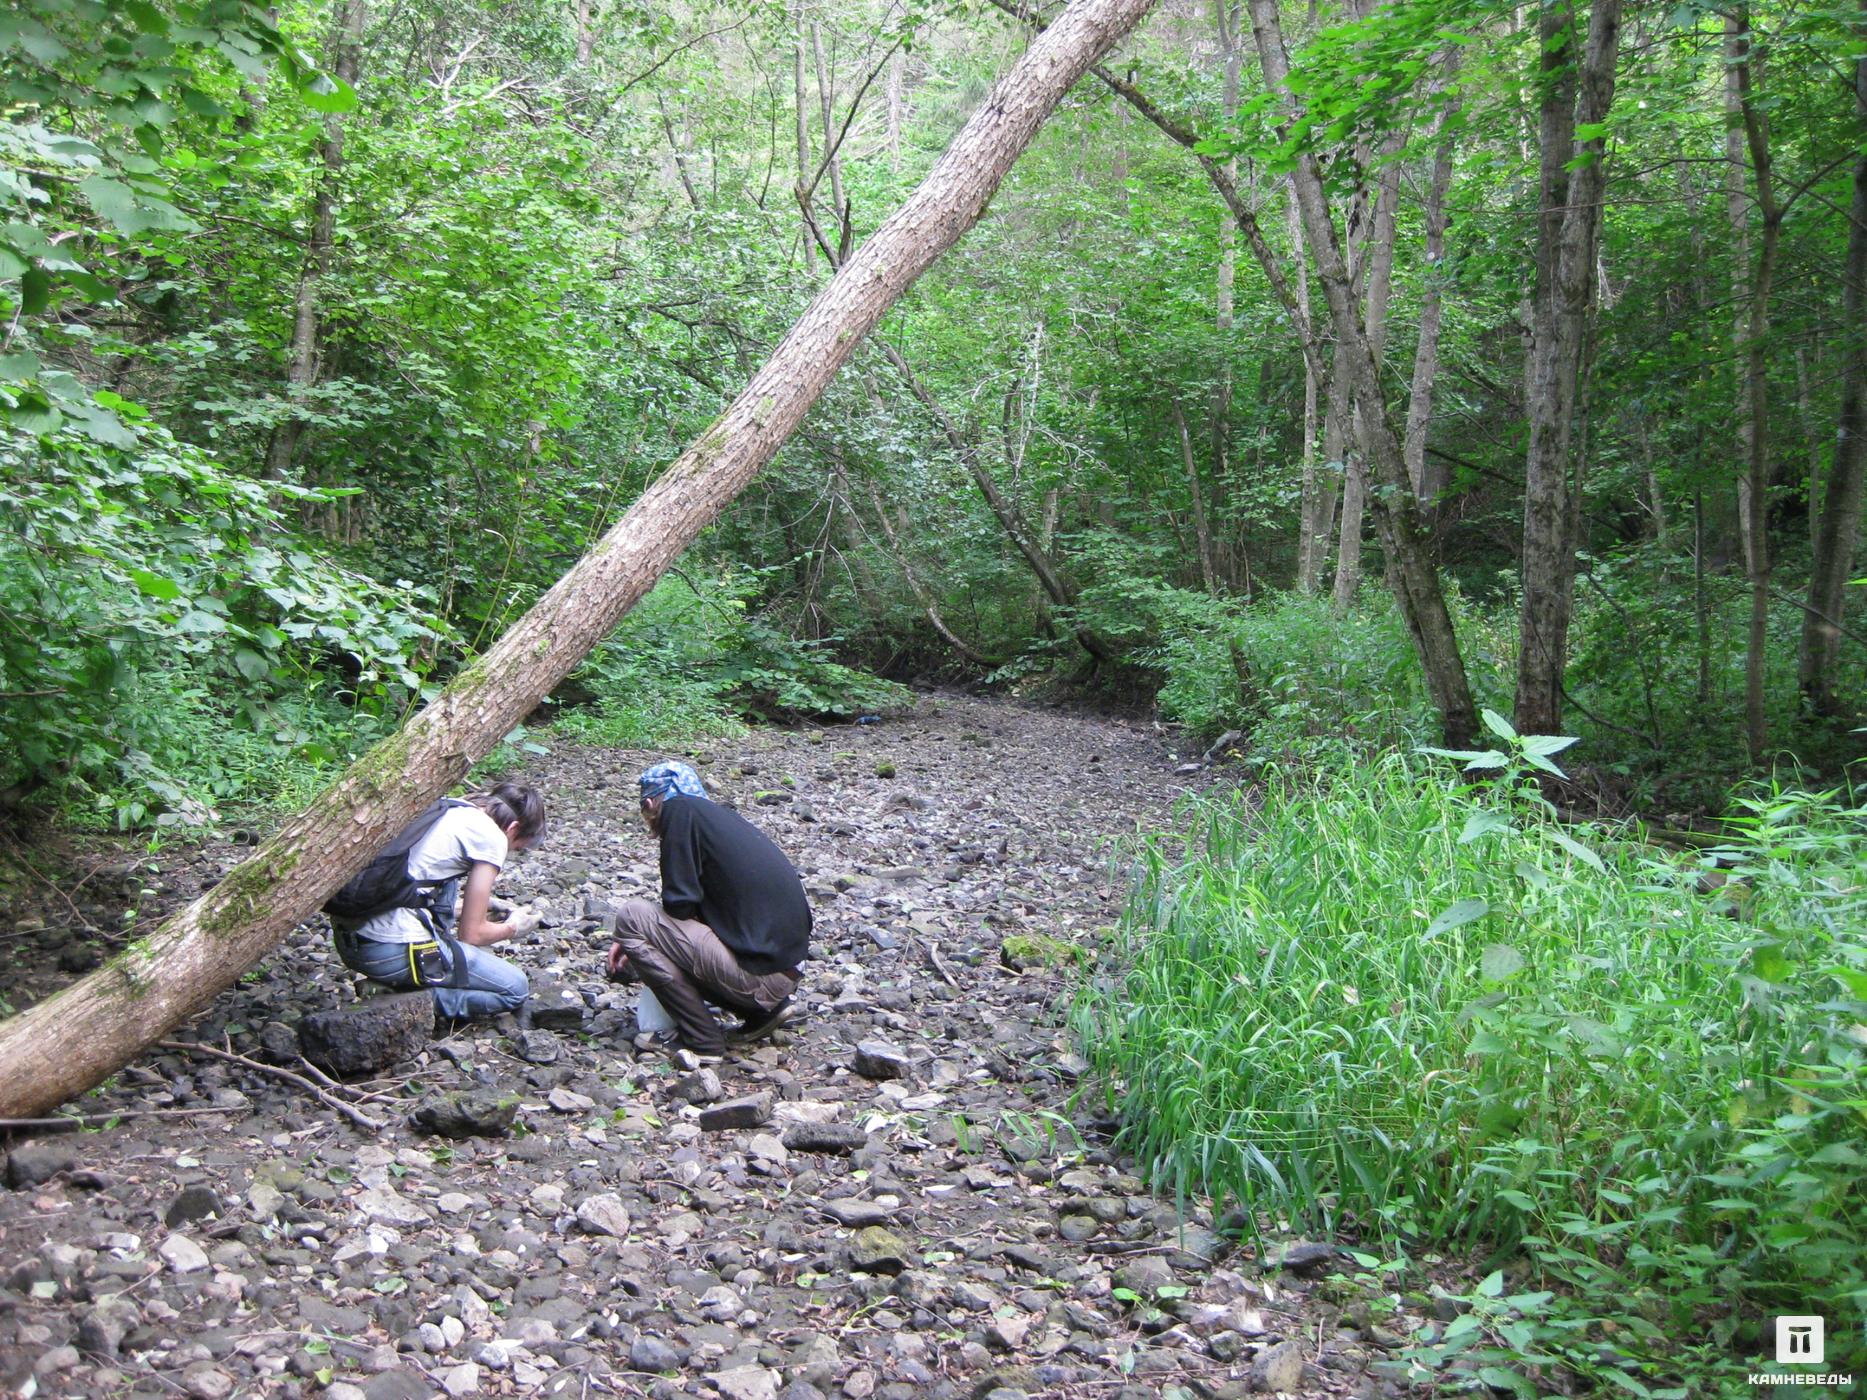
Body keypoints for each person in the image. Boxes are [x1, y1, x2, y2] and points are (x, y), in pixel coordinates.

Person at [608, 761, 810, 1057]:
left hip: (761, 977)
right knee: (645, 927)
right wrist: (647, 940)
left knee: (632, 916)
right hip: (785, 972)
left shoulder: (679, 812)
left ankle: (701, 1039)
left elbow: (678, 904)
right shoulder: (718, 820)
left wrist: (636, 935)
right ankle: (759, 1014)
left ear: (650, 803)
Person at [330, 782, 547, 1020]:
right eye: (517, 847)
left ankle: (396, 984)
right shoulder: (492, 837)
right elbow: (472, 935)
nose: (512, 852)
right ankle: (401, 1000)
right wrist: (513, 927)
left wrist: (468, 908)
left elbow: (415, 882)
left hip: (352, 943)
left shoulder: (448, 808)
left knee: (450, 885)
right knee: (515, 988)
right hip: (391, 951)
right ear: (514, 828)